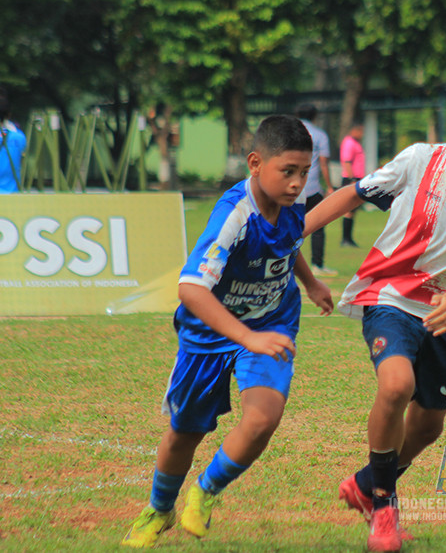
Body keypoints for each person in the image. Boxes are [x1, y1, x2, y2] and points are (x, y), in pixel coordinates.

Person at [303, 67, 446, 552]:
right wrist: (294, 230)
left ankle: (365, 482)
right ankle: (384, 507)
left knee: (429, 423)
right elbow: (352, 195)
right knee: (396, 384)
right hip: (391, 295)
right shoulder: (419, 160)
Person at [121, 115, 333, 548]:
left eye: (304, 173)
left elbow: (287, 248)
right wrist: (247, 337)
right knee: (186, 431)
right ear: (256, 163)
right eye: (287, 172)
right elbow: (191, 289)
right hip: (210, 331)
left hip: (272, 321)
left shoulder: (293, 209)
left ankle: (205, 491)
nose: (297, 184)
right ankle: (159, 510)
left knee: (263, 418)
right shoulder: (234, 215)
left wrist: (310, 284)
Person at [296, 103, 337, 276]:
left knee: (285, 225)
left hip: (291, 187)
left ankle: (280, 262)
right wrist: (329, 185)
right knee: (318, 227)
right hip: (312, 186)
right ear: (314, 116)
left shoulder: (291, 132)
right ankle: (317, 265)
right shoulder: (320, 135)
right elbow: (323, 163)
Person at [340, 122, 366, 247]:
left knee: (353, 210)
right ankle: (345, 239)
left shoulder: (356, 143)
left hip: (357, 178)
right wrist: (352, 179)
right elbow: (347, 161)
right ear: (354, 130)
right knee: (348, 210)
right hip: (351, 179)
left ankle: (349, 238)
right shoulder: (349, 142)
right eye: (360, 131)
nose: (362, 134)